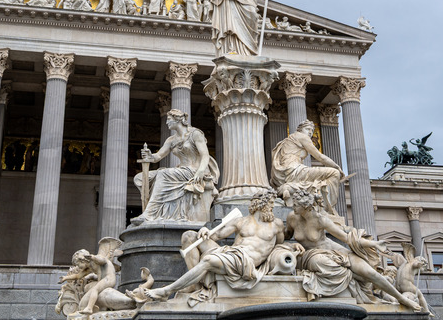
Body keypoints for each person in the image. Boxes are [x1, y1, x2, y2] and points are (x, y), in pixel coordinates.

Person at [285, 189, 421, 311]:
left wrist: (374, 243)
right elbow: (286, 236)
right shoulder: (292, 218)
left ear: (306, 207)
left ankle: (401, 298)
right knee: (325, 264)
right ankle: (354, 276)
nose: (293, 206)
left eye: (296, 204)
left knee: (371, 273)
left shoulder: (321, 220)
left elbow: (347, 238)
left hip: (335, 250)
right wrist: (289, 245)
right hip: (312, 255)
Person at [143, 190, 284, 301]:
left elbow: (280, 246)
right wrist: (206, 231)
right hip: (231, 253)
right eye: (270, 202)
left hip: (244, 262)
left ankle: (167, 291)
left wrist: (292, 249)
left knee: (208, 260)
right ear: (259, 203)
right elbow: (216, 236)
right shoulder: (241, 221)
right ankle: (195, 284)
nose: (272, 206)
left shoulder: (277, 225)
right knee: (189, 236)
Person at [134, 109, 219, 221]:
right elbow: (158, 157)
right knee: (139, 178)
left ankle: (150, 213)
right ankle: (159, 214)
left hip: (194, 171)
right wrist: (150, 155)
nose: (166, 122)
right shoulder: (171, 140)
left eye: (169, 119)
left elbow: (205, 155)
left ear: (178, 119)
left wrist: (201, 171)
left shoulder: (195, 134)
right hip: (181, 171)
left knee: (163, 174)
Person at [270, 119, 342, 214]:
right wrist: (336, 166)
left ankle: (290, 188)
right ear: (300, 129)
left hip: (287, 172)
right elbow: (320, 157)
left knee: (316, 181)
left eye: (312, 131)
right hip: (295, 170)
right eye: (307, 129)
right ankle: (326, 208)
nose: (310, 132)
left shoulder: (288, 140)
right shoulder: (302, 137)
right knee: (334, 173)